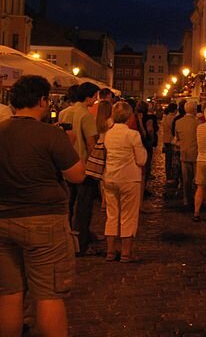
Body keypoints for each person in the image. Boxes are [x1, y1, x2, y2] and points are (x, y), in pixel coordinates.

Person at [0, 75, 85, 336]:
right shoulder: (50, 134)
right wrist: (68, 145)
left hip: (3, 220)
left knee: (9, 293)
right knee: (48, 294)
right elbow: (77, 175)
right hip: (44, 221)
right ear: (42, 101)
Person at [102, 101, 147, 262]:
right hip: (129, 178)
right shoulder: (132, 135)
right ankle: (126, 252)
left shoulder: (108, 133)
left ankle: (110, 251)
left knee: (112, 214)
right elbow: (141, 160)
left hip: (110, 177)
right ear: (129, 116)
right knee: (128, 215)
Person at [60, 81, 100, 255]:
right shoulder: (86, 115)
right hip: (82, 167)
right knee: (83, 208)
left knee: (67, 206)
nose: (96, 100)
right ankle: (81, 244)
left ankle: (66, 239)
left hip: (64, 165)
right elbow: (91, 144)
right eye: (95, 96)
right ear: (89, 97)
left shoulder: (63, 113)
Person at [174, 101, 200, 207]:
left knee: (186, 180)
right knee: (198, 179)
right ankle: (198, 198)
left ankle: (186, 199)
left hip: (184, 153)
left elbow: (177, 138)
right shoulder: (198, 123)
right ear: (194, 110)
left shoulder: (178, 122)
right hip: (197, 154)